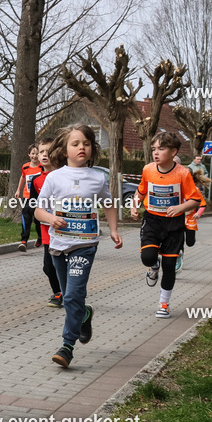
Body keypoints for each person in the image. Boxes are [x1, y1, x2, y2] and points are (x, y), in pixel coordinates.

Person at [35, 124, 121, 368]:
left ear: (92, 148)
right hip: (58, 245)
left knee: (72, 295)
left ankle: (67, 346)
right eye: (75, 143)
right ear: (64, 150)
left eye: (86, 143)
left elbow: (109, 203)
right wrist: (51, 218)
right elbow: (39, 210)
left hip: (85, 245)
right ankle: (83, 314)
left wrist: (113, 230)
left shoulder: (97, 177)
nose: (81, 147)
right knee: (71, 299)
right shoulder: (54, 177)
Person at [130, 132, 204, 319]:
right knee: (147, 257)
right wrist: (134, 205)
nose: (156, 153)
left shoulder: (183, 173)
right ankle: (153, 266)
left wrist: (180, 207)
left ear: (173, 152)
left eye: (161, 149)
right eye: (154, 149)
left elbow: (195, 200)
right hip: (152, 220)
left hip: (174, 223)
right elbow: (140, 191)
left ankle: (164, 304)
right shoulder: (148, 169)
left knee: (170, 265)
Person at [31, 137, 61, 307]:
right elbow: (36, 208)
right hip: (46, 230)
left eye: (48, 151)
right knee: (48, 267)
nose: (44, 155)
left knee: (61, 265)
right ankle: (58, 292)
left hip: (64, 229)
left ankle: (65, 293)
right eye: (41, 151)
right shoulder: (36, 180)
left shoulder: (63, 176)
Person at [14, 144, 43, 251]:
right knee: (26, 219)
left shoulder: (42, 167)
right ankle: (24, 241)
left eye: (37, 154)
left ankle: (40, 237)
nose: (35, 156)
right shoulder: (25, 167)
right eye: (33, 153)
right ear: (29, 154)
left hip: (39, 198)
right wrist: (18, 190)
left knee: (38, 220)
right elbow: (22, 177)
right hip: (27, 197)